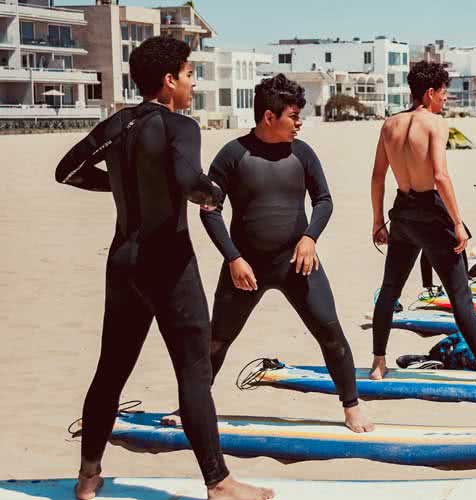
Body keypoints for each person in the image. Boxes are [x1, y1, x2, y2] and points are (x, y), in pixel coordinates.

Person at [55, 36, 272, 500]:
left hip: (123, 262)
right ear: (169, 80)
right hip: (167, 261)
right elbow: (186, 180)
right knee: (193, 371)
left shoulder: (117, 124)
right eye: (190, 75)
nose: (193, 84)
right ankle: (219, 482)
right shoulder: (180, 126)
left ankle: (88, 476)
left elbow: (68, 171)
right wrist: (214, 194)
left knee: (111, 369)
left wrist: (119, 185)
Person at [165, 74, 372, 434]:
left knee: (330, 332)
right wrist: (233, 258)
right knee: (216, 339)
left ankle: (352, 407)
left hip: (298, 264)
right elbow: (210, 210)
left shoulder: (303, 153)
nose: (299, 123)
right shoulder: (233, 155)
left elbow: (323, 201)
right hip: (246, 267)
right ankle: (189, 408)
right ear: (269, 117)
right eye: (293, 116)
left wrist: (310, 238)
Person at [370, 61, 476, 383]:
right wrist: (456, 222)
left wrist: (376, 221)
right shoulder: (435, 123)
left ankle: (378, 364)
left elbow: (377, 177)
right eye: (443, 92)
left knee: (389, 290)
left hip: (401, 213)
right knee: (460, 293)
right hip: (430, 212)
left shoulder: (389, 125)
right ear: (429, 92)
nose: (446, 98)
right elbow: (440, 176)